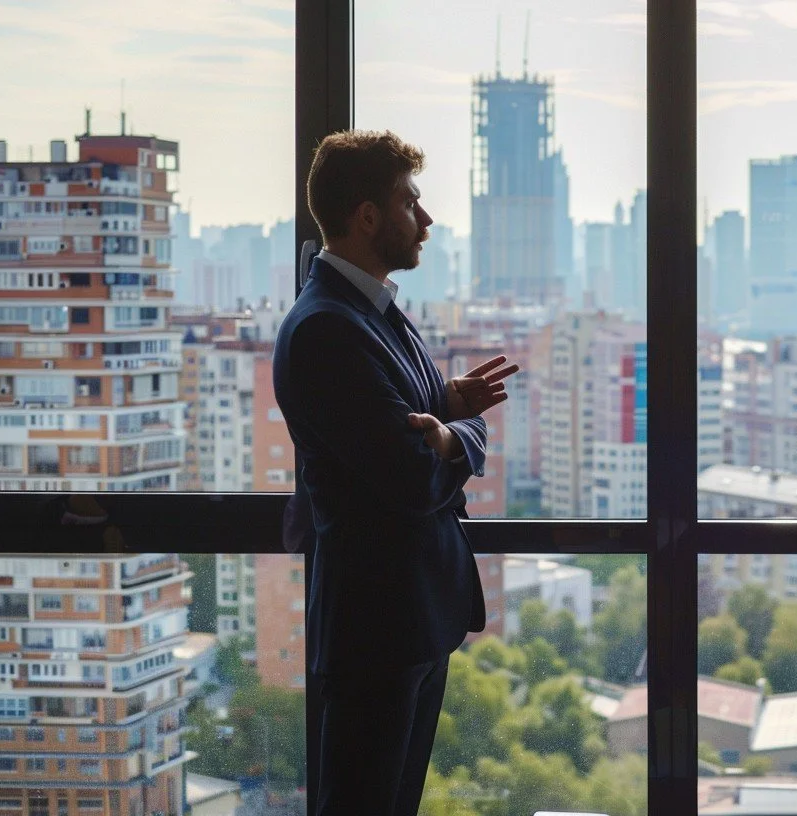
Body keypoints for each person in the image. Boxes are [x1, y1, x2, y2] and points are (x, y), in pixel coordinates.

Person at [273, 130, 517, 816]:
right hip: (375, 626)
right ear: (368, 217)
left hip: (410, 619)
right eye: (412, 202)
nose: (428, 220)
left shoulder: (371, 310)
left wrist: (448, 410)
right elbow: (411, 475)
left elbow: (408, 432)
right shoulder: (326, 327)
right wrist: (459, 437)